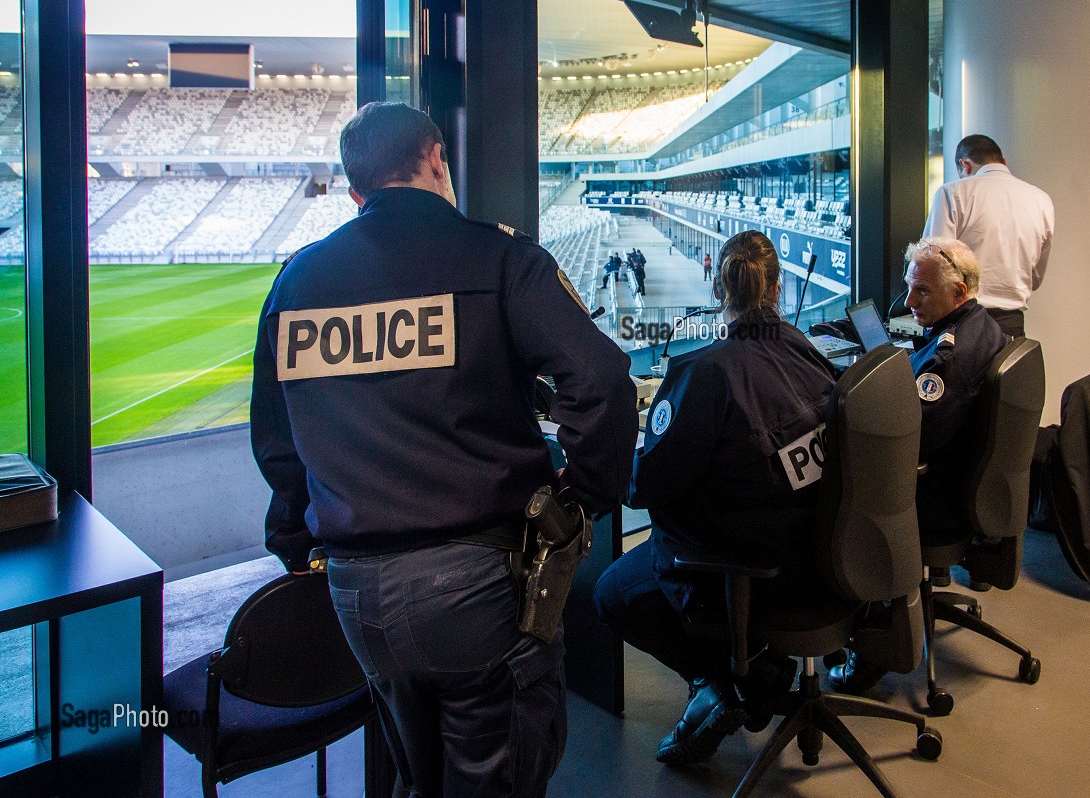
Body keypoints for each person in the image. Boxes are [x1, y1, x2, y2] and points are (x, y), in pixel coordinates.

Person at [251, 102, 637, 798]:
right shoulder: (500, 257)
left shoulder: (296, 283)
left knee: (415, 777)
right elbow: (606, 380)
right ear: (436, 157)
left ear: (354, 191)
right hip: (480, 591)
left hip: (356, 597)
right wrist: (584, 497)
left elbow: (278, 449)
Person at [594, 230, 836, 765]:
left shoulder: (703, 372)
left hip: (745, 568)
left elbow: (644, 486)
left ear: (718, 286)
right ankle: (759, 668)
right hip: (816, 557)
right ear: (776, 288)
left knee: (610, 595)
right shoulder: (808, 351)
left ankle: (720, 682)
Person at [829, 236, 1009, 693]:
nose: (909, 303)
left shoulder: (950, 358)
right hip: (961, 481)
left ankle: (869, 645)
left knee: (836, 493)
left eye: (922, 292)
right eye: (910, 289)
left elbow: (908, 442)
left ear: (959, 293)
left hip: (934, 496)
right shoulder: (979, 328)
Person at [922, 134, 1053, 338]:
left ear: (964, 165)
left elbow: (932, 264)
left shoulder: (953, 193)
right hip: (1013, 327)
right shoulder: (1041, 199)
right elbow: (1035, 278)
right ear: (1003, 162)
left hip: (963, 323)